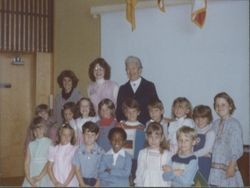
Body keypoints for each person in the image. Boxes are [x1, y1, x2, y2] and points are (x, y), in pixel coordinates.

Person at [208, 92, 244, 187]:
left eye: (223, 104)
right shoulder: (215, 124)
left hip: (228, 166)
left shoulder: (234, 124)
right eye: (217, 105)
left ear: (230, 106)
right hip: (215, 167)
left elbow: (236, 147)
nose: (220, 107)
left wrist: (232, 165)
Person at [116, 55, 159, 125]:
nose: (131, 71)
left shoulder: (149, 86)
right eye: (128, 69)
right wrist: (122, 122)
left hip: (146, 125)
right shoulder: (122, 89)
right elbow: (119, 111)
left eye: (133, 68)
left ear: (140, 70)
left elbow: (156, 106)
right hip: (127, 126)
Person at [134, 122, 172, 187]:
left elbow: (168, 173)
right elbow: (139, 171)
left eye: (156, 137)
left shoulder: (166, 154)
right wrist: (138, 184)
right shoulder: (143, 153)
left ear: (162, 137)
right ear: (146, 137)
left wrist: (168, 185)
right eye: (151, 137)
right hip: (146, 183)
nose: (153, 140)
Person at [118, 98, 145, 185]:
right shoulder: (121, 125)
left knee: (135, 179)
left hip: (137, 159)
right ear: (125, 113)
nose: (131, 114)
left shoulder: (142, 127)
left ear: (138, 112)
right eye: (128, 112)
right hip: (123, 158)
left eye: (134, 111)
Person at [73, 121, 105, 187]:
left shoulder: (101, 152)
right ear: (83, 135)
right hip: (82, 181)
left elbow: (103, 170)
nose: (89, 137)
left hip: (97, 181)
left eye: (92, 135)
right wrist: (82, 185)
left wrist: (96, 185)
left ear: (97, 136)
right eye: (87, 134)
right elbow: (77, 169)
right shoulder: (78, 151)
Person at [22, 117, 52, 187]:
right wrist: (28, 178)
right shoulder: (31, 144)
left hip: (44, 174)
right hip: (32, 174)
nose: (38, 131)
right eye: (35, 129)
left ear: (45, 128)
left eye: (40, 128)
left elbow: (49, 162)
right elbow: (26, 163)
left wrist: (39, 176)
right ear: (33, 131)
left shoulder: (49, 142)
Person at [192, 105, 215, 181]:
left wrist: (192, 154)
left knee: (202, 181)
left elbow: (206, 149)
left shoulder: (210, 132)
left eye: (203, 118)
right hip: (194, 161)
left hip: (204, 162)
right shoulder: (194, 131)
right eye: (197, 118)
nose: (200, 121)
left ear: (208, 119)